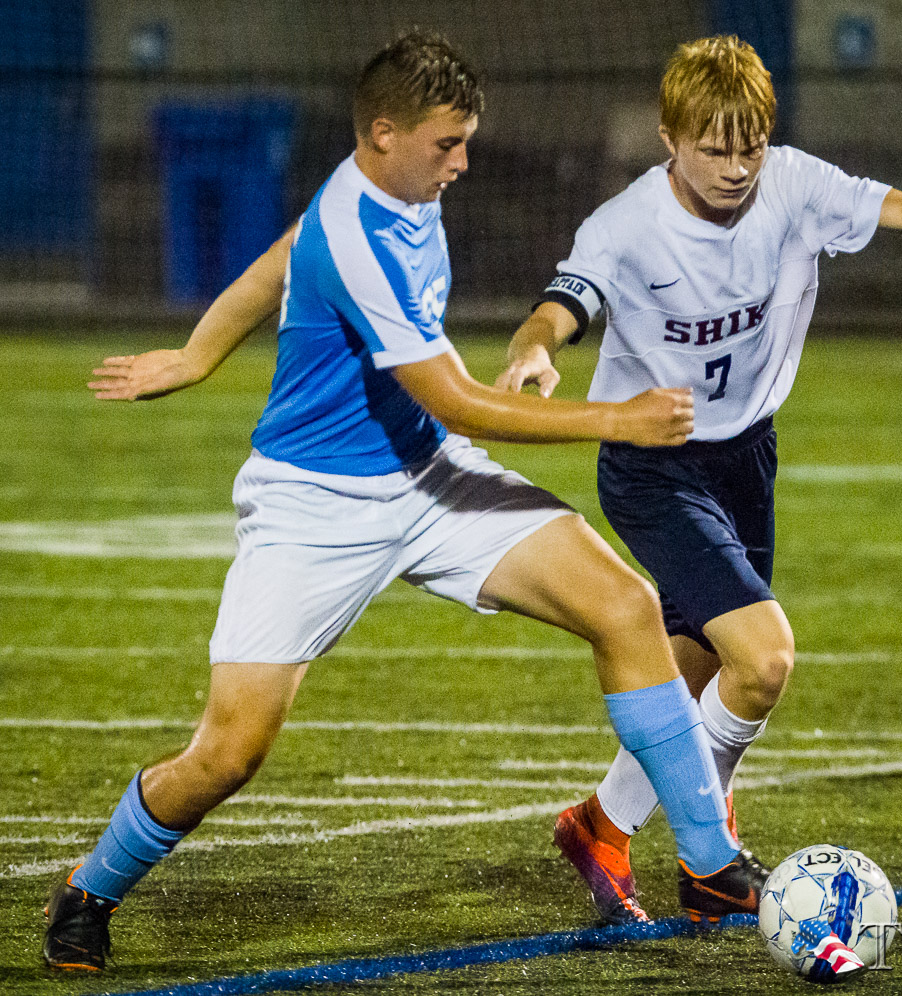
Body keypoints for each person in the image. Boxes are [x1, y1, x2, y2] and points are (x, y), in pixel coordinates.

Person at [42, 30, 773, 974]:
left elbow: (281, 254)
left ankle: (710, 864)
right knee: (228, 755)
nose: (463, 163)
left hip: (428, 478)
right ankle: (89, 887)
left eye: (466, 140)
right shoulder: (360, 231)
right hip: (315, 508)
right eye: (447, 143)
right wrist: (619, 421)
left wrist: (197, 354)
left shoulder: (389, 191)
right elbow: (456, 399)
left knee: (626, 608)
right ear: (383, 133)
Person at [497, 34, 902, 925]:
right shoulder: (628, 224)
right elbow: (563, 303)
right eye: (713, 147)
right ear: (668, 139)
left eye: (749, 144)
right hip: (655, 464)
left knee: (685, 675)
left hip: (746, 457)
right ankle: (708, 851)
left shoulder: (795, 185)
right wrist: (533, 348)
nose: (734, 166)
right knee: (762, 662)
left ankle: (599, 825)